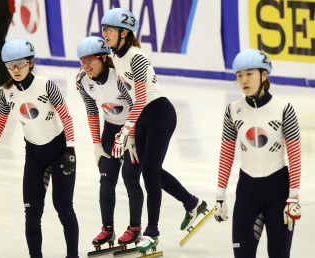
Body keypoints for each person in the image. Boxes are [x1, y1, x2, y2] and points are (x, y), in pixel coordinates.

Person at [101, 8, 208, 252]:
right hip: (142, 117)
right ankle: (192, 204)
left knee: (149, 171)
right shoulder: (115, 55)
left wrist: (126, 129)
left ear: (124, 33)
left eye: (109, 29)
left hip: (160, 114)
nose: (104, 33)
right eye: (103, 29)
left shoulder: (137, 57)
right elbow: (125, 94)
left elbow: (139, 98)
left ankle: (152, 231)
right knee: (149, 168)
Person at [0, 38, 79, 258]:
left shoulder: (46, 85)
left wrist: (70, 150)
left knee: (63, 207)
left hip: (59, 152)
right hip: (34, 156)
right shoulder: (6, 93)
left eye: (20, 63)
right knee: (31, 213)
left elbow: (67, 119)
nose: (15, 69)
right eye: (10, 65)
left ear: (31, 62)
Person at [213, 49, 302, 258]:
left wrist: (294, 197)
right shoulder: (233, 110)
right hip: (247, 190)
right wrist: (220, 196)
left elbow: (295, 155)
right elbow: (226, 153)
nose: (243, 80)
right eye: (239, 75)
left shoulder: (284, 109)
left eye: (249, 74)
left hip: (278, 191)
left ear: (264, 75)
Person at [75, 36, 143, 250]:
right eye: (81, 61)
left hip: (134, 129)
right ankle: (108, 228)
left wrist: (131, 136)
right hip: (111, 131)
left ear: (103, 58)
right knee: (106, 181)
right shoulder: (83, 82)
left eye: (90, 60)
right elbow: (92, 111)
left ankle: (135, 229)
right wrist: (97, 144)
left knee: (131, 179)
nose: (85, 66)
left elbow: (136, 106)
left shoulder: (119, 78)